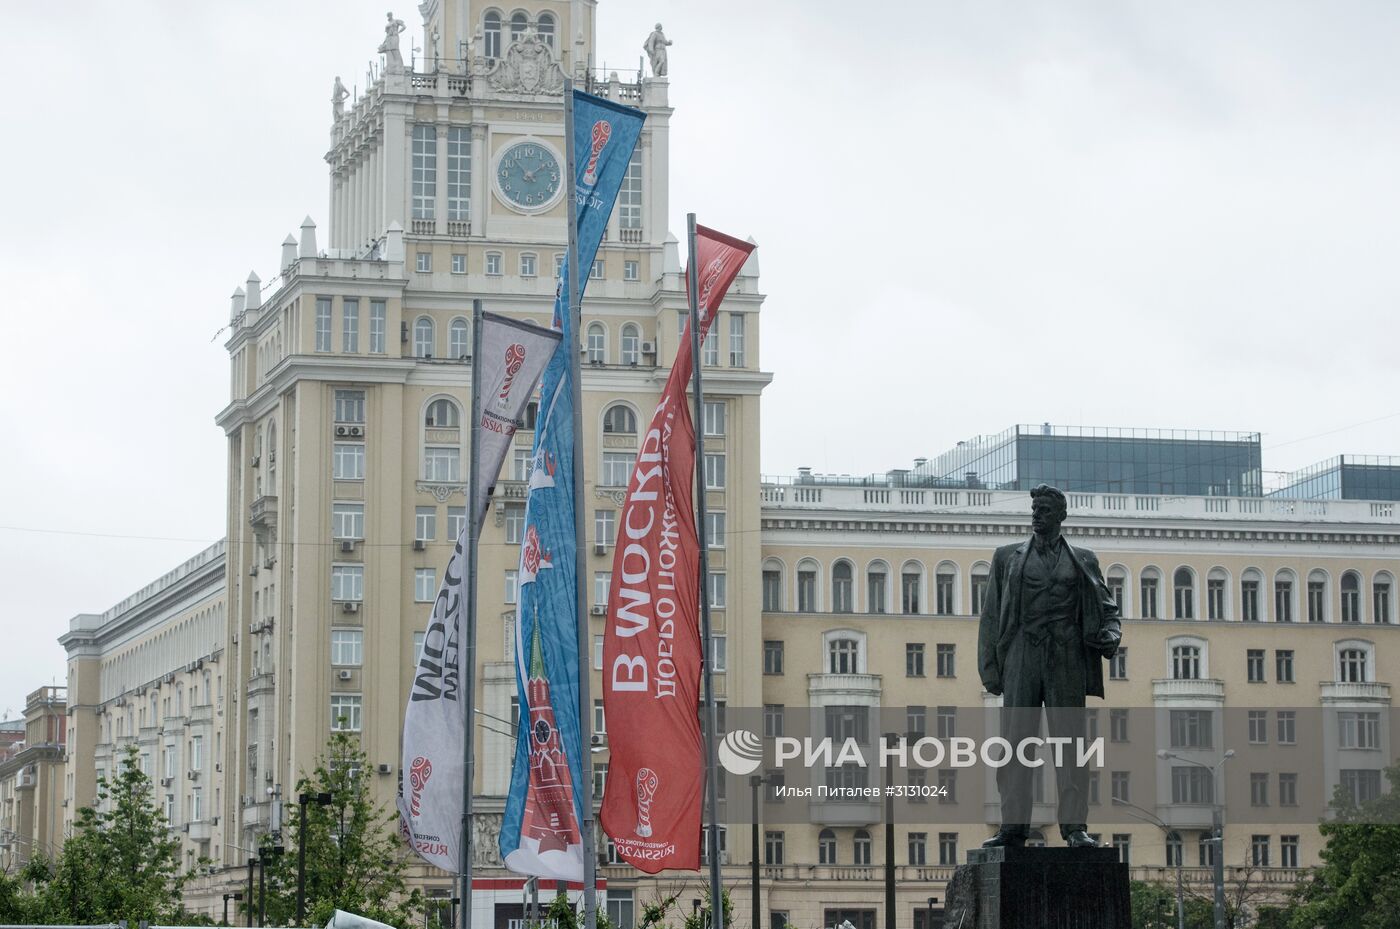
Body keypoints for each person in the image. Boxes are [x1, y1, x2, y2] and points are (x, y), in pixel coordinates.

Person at [977, 484, 1122, 848]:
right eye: (1034, 509)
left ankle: (1075, 829)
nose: (1036, 515)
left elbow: (1107, 609)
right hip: (1022, 653)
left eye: (1043, 510)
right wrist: (990, 667)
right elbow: (992, 615)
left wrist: (1110, 634)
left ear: (1060, 516)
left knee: (1071, 744)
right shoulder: (1007, 556)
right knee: (1015, 743)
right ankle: (1013, 828)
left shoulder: (1084, 559)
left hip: (1066, 654)